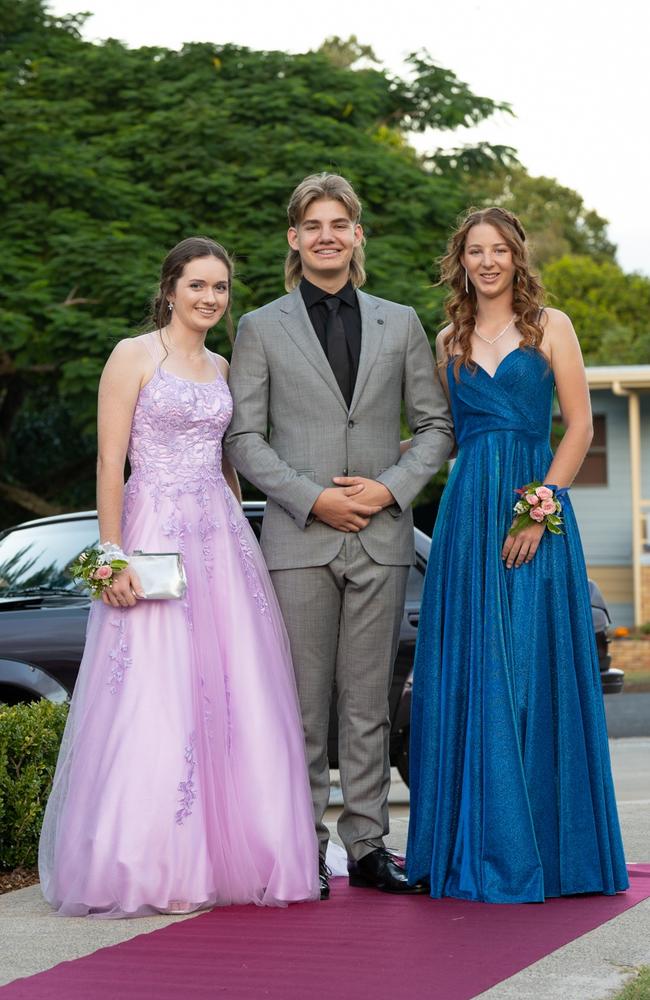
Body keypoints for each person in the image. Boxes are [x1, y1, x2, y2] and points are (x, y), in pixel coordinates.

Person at [38, 237, 320, 916]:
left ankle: (246, 848)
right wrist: (108, 559)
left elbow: (227, 461)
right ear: (169, 289)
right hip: (153, 533)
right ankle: (153, 857)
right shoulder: (132, 356)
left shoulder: (225, 364)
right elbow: (109, 465)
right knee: (154, 688)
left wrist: (241, 535)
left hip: (219, 537)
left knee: (236, 688)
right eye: (197, 285)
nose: (210, 298)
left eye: (220, 288)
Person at [224, 174, 454, 899]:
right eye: (312, 224)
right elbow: (242, 436)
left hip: (383, 537)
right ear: (294, 239)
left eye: (340, 223)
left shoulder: (401, 322)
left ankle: (367, 847)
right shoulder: (260, 326)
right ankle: (300, 845)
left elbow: (436, 426)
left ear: (358, 235)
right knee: (298, 704)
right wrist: (312, 498)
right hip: (298, 541)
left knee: (367, 705)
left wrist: (389, 488)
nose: (326, 234)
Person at [406, 207, 629, 903]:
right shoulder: (446, 338)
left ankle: (552, 850)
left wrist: (539, 508)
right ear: (461, 261)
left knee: (535, 668)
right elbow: (442, 434)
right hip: (469, 515)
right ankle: (474, 844)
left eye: (500, 249)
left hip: (538, 507)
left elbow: (581, 426)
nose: (489, 260)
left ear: (517, 255)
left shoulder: (551, 326)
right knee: (475, 672)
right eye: (476, 250)